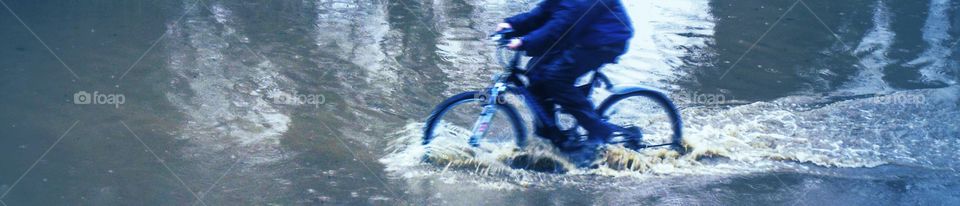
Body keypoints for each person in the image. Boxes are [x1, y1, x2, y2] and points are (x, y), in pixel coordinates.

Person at [496, 0, 633, 167]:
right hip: (582, 36)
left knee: (555, 78)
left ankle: (598, 130)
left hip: (605, 41)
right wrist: (511, 24)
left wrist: (525, 41)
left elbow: (560, 26)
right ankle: (550, 135)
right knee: (535, 71)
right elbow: (542, 13)